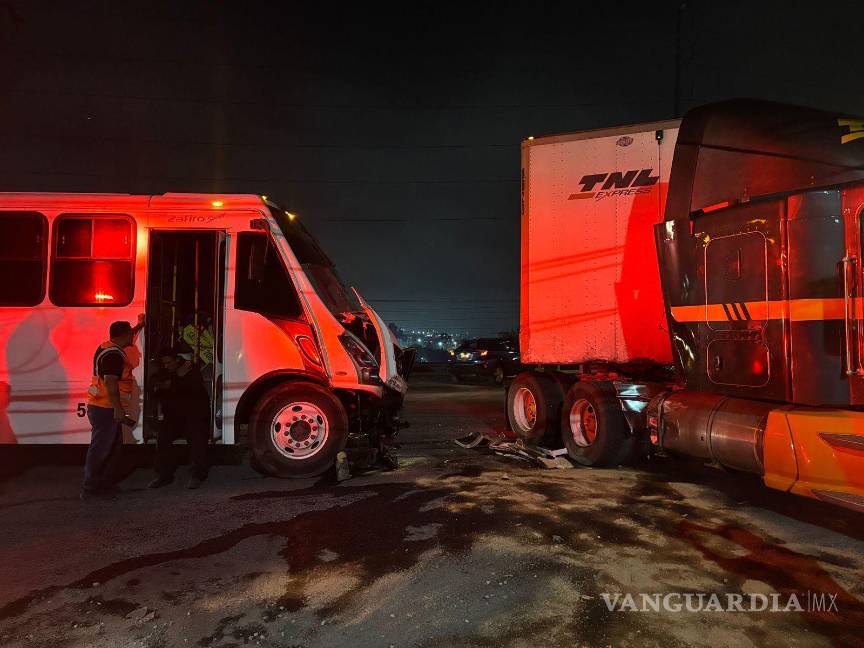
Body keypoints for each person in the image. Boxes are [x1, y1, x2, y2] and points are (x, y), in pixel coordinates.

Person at [81, 318, 143, 499]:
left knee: (112, 448)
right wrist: (118, 409)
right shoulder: (113, 356)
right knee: (101, 449)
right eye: (131, 333)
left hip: (103, 406)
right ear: (124, 335)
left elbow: (127, 334)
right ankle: (90, 488)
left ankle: (103, 484)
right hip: (106, 407)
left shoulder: (108, 347)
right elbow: (110, 382)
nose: (133, 336)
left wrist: (139, 325)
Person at [148, 346, 211, 490]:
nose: (166, 365)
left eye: (169, 362)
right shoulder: (165, 370)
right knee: (163, 438)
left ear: (177, 359)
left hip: (194, 415)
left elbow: (190, 386)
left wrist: (171, 383)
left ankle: (197, 475)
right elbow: (155, 386)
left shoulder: (190, 368)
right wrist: (176, 377)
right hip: (173, 417)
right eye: (164, 363)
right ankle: (163, 476)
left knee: (197, 437)